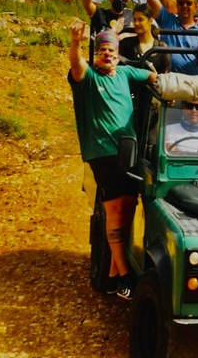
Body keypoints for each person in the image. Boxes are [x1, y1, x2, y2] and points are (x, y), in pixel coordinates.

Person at [67, 23, 157, 300]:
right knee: (116, 210)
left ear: (118, 55)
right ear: (96, 54)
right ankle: (125, 275)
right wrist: (75, 42)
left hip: (127, 150)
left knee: (129, 207)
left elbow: (153, 77)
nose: (107, 55)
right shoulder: (89, 76)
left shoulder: (126, 73)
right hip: (103, 153)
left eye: (111, 51)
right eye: (103, 50)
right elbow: (76, 62)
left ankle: (113, 274)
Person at [118, 3, 171, 74]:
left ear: (150, 21)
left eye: (140, 20)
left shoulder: (161, 47)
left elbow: (166, 75)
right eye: (135, 20)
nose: (136, 23)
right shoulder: (126, 43)